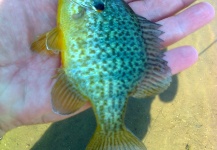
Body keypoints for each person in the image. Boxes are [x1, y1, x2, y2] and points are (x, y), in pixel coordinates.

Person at [0, 0, 215, 138]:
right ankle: (113, 133)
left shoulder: (82, 8)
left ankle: (111, 133)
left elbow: (56, 38)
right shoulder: (88, 8)